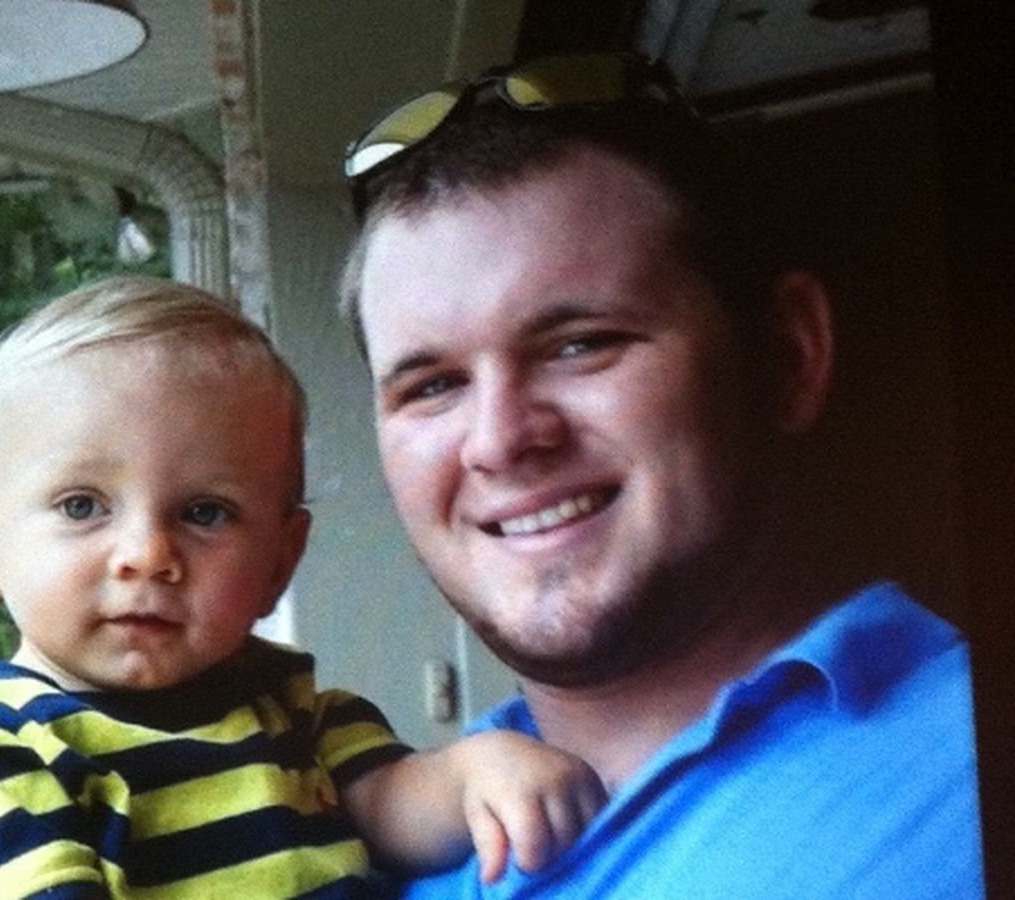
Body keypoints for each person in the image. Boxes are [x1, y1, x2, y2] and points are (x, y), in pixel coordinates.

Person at [340, 52, 983, 897]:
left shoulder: (968, 769)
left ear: (789, 357)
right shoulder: (356, 850)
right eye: (432, 386)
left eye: (581, 344)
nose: (499, 441)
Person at [0, 276, 608, 899]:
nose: (148, 555)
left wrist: (475, 773)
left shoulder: (301, 717)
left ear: (279, 563)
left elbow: (394, 807)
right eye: (81, 505)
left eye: (205, 513)